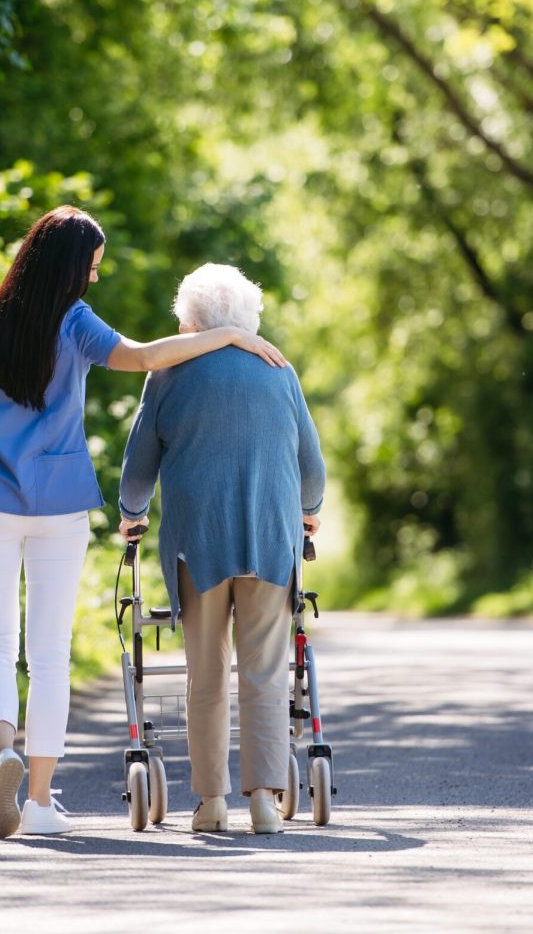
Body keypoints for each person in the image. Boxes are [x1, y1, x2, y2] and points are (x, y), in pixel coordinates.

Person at [0, 207, 286, 839]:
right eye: (92, 268)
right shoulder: (73, 323)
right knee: (48, 654)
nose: (94, 281)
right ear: (70, 267)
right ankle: (39, 801)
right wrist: (230, 336)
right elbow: (145, 356)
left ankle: (3, 756)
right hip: (61, 502)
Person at [118, 263, 325, 834]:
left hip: (197, 543)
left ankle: (211, 803)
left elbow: (138, 467)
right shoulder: (279, 370)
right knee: (264, 669)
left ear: (192, 320)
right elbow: (312, 465)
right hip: (269, 536)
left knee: (206, 674)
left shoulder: (167, 375)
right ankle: (264, 800)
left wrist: (131, 517)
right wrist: (310, 513)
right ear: (246, 320)